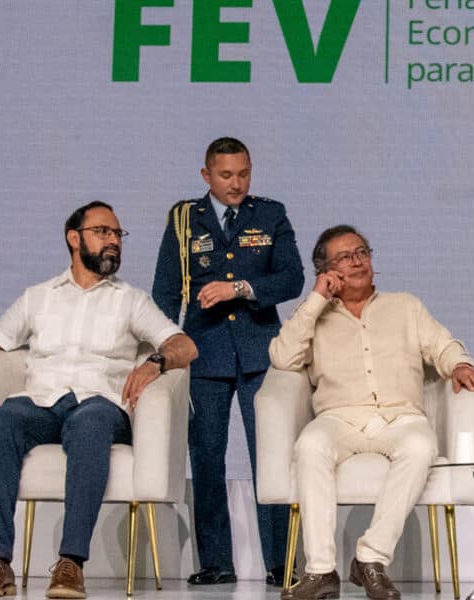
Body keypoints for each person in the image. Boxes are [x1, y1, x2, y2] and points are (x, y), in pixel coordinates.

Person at [0, 201, 198, 599]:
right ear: (74, 238)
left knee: (90, 423)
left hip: (101, 403)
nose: (114, 241)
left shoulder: (129, 299)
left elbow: (183, 344)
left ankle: (70, 563)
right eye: (103, 232)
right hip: (42, 400)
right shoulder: (38, 296)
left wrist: (156, 361)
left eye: (118, 234)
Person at [269, 225, 474, 600]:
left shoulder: (405, 305)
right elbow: (283, 356)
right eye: (345, 257)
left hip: (399, 417)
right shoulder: (312, 314)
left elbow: (443, 344)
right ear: (326, 270)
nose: (357, 262)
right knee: (310, 446)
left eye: (362, 252)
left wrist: (460, 365)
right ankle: (320, 571)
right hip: (338, 417)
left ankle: (370, 559)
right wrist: (317, 299)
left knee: (421, 447)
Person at [152, 137, 305, 586]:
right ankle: (215, 561)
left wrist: (238, 287)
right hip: (204, 352)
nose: (236, 184)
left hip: (261, 350)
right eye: (225, 175)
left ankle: (281, 562)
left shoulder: (270, 213)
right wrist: (165, 350)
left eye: (243, 174)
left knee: (272, 458)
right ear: (206, 175)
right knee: (206, 458)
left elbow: (292, 278)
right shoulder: (184, 219)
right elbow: (165, 292)